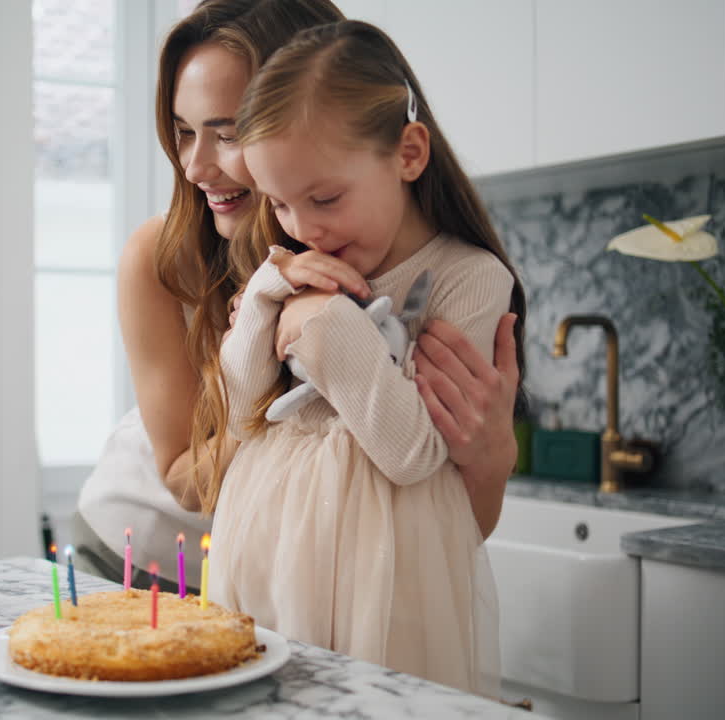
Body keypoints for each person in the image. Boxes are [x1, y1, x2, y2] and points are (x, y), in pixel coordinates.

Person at [72, 0, 521, 593]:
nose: (195, 166)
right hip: (138, 557)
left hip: (275, 581)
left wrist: (492, 458)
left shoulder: (399, 263)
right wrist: (276, 337)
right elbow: (185, 480)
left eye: (227, 133)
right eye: (183, 133)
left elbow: (448, 525)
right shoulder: (164, 255)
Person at [204, 20, 527, 698]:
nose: (303, 228)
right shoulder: (291, 269)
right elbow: (240, 414)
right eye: (282, 204)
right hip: (266, 553)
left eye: (324, 198)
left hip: (384, 582)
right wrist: (266, 297)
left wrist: (320, 323)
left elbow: (409, 450)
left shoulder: (466, 280)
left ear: (409, 154)